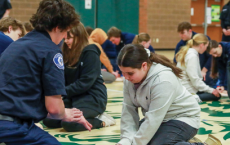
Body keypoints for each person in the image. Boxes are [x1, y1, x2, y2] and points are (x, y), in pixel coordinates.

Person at [0, 0, 92, 144]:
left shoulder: (17, 45)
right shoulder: (51, 51)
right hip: (12, 125)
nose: (65, 37)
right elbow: (54, 109)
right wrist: (66, 113)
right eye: (66, 32)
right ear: (57, 28)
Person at [115, 44, 220, 145]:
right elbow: (128, 111)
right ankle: (177, 140)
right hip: (160, 119)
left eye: (130, 73)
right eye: (122, 73)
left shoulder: (163, 79)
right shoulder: (128, 80)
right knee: (136, 138)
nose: (126, 77)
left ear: (144, 66)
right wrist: (126, 140)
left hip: (183, 118)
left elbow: (153, 119)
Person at [43, 23, 116, 132]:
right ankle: (83, 115)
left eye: (69, 38)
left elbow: (85, 83)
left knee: (70, 123)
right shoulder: (66, 52)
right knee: (49, 120)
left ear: (79, 36)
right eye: (65, 38)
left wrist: (61, 92)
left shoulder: (90, 51)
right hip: (73, 96)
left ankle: (101, 120)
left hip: (91, 97)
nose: (66, 41)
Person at [176, 34, 221, 102]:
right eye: (206, 46)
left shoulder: (189, 52)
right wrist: (212, 90)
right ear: (201, 45)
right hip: (187, 90)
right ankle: (191, 98)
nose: (206, 49)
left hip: (185, 87)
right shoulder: (192, 56)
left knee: (211, 89)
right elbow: (195, 81)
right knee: (216, 95)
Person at [174, 22, 214, 87]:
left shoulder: (203, 39)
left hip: (204, 69)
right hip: (190, 73)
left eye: (183, 33)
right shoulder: (180, 45)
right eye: (179, 33)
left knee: (208, 80)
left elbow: (211, 56)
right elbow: (176, 61)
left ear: (190, 31)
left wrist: (204, 71)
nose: (180, 35)